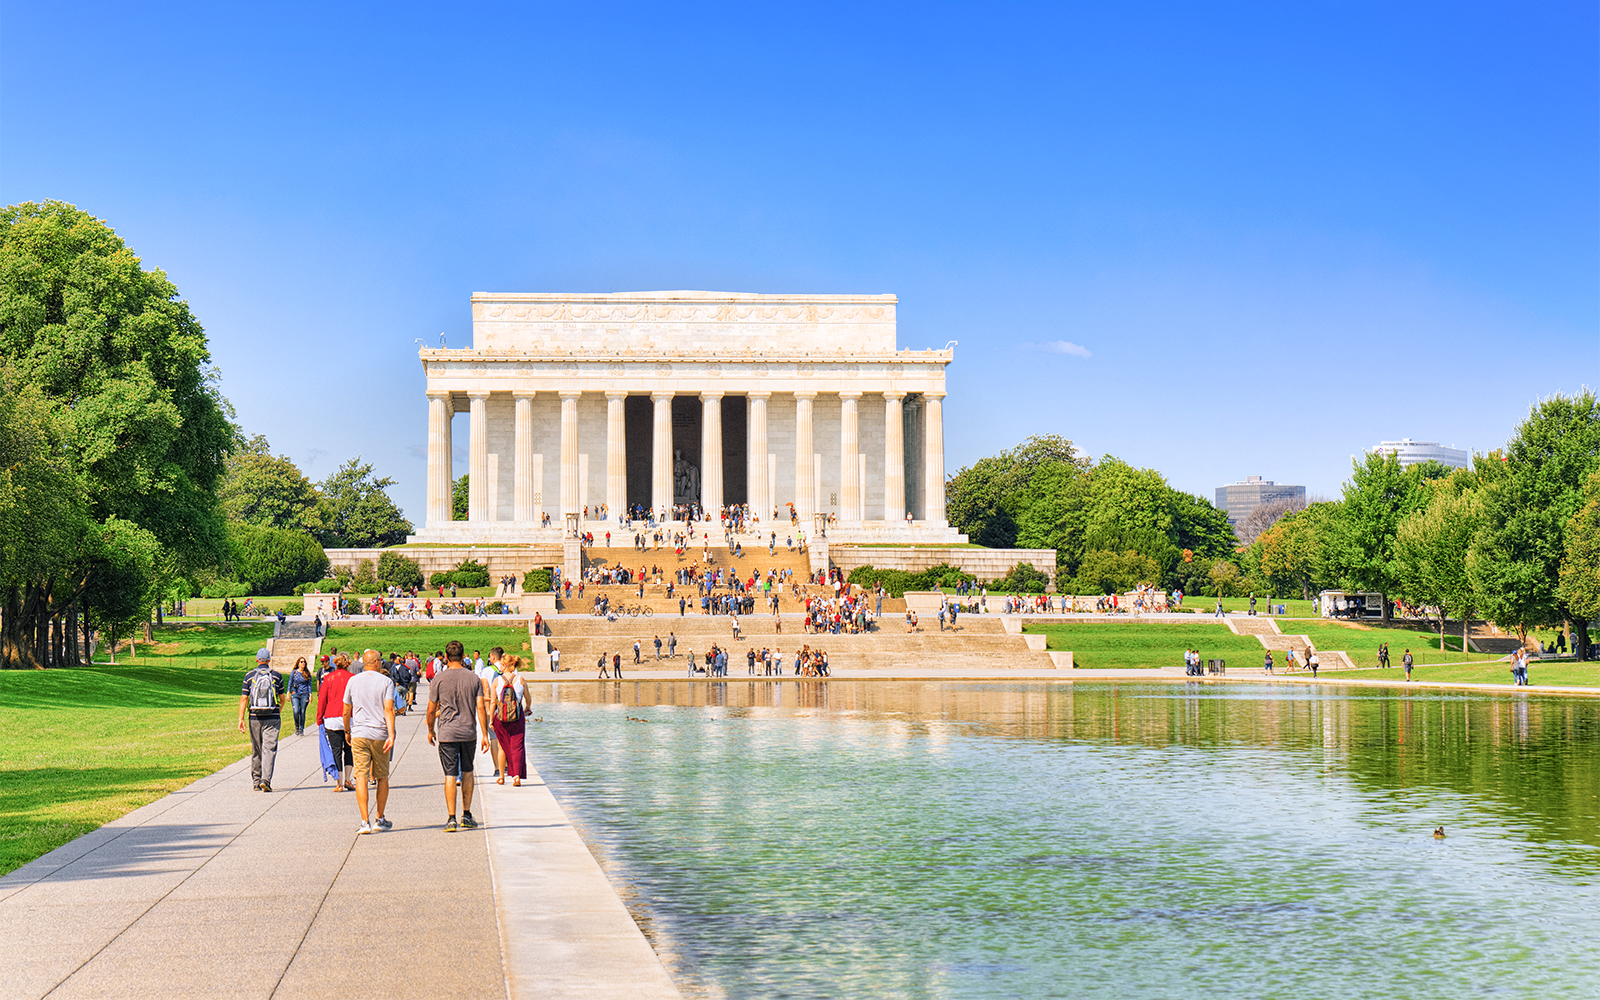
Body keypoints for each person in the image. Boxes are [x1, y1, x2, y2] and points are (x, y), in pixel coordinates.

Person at [427, 640, 489, 832]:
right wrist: (485, 733)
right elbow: (481, 707)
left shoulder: (439, 679)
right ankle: (467, 814)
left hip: (447, 733)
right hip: (468, 732)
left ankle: (451, 818)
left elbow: (430, 710)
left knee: (450, 775)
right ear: (464, 656)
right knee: (468, 771)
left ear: (446, 658)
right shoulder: (473, 678)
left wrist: (430, 730)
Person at [344, 650, 397, 834]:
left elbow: (346, 709)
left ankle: (364, 820)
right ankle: (379, 818)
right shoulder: (386, 681)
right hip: (380, 733)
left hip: (359, 732)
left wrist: (347, 730)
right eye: (380, 661)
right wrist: (391, 734)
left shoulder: (353, 681)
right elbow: (389, 708)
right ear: (375, 662)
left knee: (361, 776)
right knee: (382, 776)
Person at [239, 648, 286, 791]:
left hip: (254, 717)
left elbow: (244, 698)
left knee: (257, 748)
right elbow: (282, 699)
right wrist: (277, 710)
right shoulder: (277, 676)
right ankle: (266, 780)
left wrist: (241, 719)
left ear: (256, 659)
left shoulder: (249, 676)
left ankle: (256, 781)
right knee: (269, 749)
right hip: (272, 717)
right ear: (269, 660)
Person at [491, 655, 532, 786]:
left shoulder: (497, 681)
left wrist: (491, 719)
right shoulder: (521, 680)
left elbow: (493, 703)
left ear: (504, 665)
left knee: (502, 747)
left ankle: (502, 777)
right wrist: (528, 708)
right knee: (517, 746)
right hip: (517, 716)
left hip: (501, 718)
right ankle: (516, 777)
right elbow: (528, 698)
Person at [288, 657, 314, 736]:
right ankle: (296, 727)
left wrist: (310, 695)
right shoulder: (294, 672)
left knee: (302, 711)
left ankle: (301, 728)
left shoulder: (307, 673)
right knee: (296, 711)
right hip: (295, 693)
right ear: (298, 663)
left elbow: (309, 685)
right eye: (301, 662)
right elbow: (290, 682)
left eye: (304, 662)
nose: (303, 663)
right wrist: (288, 692)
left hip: (304, 694)